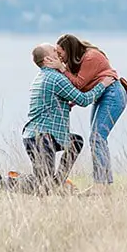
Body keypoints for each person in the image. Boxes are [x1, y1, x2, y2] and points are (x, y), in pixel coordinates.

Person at [21, 42, 107, 189]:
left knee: (75, 142)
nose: (58, 53)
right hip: (43, 138)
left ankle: (57, 183)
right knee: (43, 185)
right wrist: (103, 84)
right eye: (54, 51)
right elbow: (84, 100)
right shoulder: (56, 79)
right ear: (48, 60)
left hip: (36, 136)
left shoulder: (41, 77)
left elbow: (49, 103)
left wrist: (66, 105)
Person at [56, 34, 127, 187]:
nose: (58, 56)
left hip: (112, 94)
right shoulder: (77, 60)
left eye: (60, 52)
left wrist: (62, 69)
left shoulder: (90, 57)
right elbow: (85, 85)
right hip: (102, 95)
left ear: (69, 50)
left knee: (97, 138)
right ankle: (104, 184)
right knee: (97, 138)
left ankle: (101, 185)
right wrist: (72, 102)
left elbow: (78, 84)